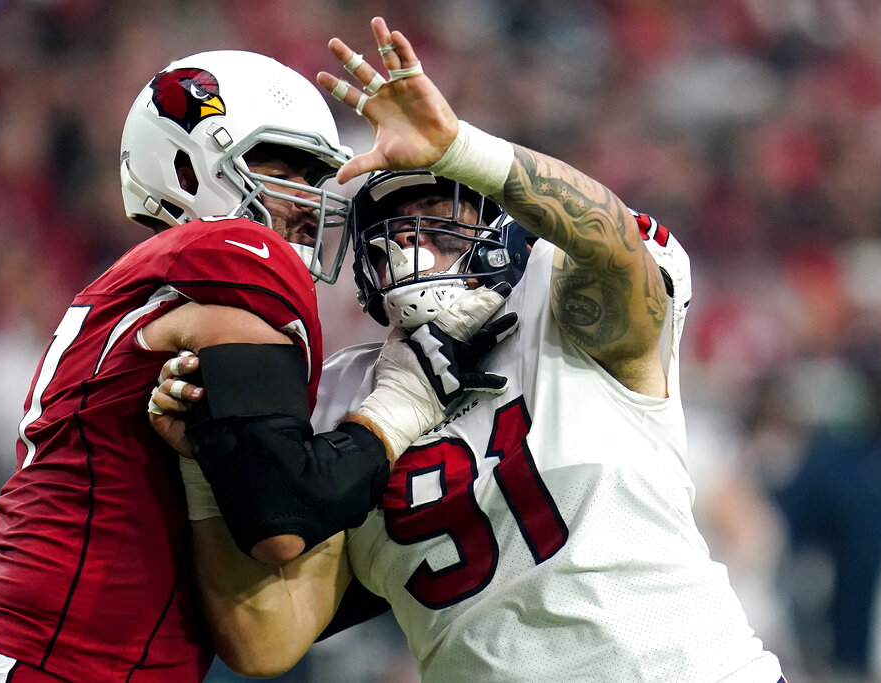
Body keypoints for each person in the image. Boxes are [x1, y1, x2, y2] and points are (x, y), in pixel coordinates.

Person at [150, 16, 787, 682]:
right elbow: (266, 639)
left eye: (442, 210)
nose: (412, 241)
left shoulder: (560, 299)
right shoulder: (343, 397)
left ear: (504, 223)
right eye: (390, 226)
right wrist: (207, 462)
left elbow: (616, 247)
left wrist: (462, 148)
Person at [0, 49, 510, 683]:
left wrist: (203, 469)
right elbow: (284, 515)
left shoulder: (159, 281)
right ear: (187, 162)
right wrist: (401, 403)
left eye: (315, 178)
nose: (306, 202)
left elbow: (262, 628)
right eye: (281, 166)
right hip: (56, 661)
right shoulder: (235, 253)